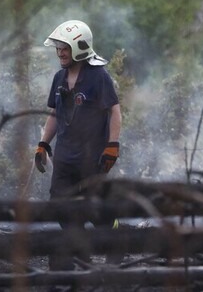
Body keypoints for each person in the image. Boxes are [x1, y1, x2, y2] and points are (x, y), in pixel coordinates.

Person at [33, 19, 122, 269]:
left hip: (92, 157)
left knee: (97, 210)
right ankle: (80, 253)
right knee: (60, 207)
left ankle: (117, 241)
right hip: (64, 158)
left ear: (80, 48)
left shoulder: (98, 77)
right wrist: (42, 144)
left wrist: (112, 145)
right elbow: (54, 114)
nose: (60, 53)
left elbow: (114, 111)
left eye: (65, 48)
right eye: (59, 48)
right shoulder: (59, 78)